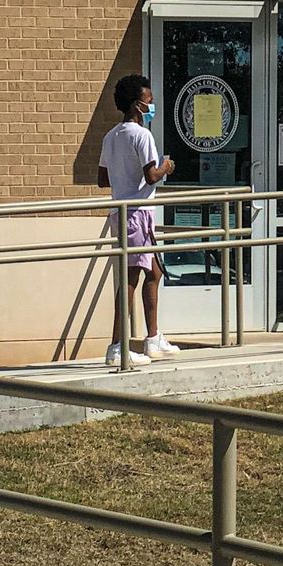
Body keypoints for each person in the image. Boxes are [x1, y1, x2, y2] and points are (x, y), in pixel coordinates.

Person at [98, 74, 179, 366]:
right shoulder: (141, 135)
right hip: (138, 213)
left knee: (154, 272)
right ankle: (118, 346)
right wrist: (166, 166)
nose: (152, 105)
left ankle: (153, 339)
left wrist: (123, 176)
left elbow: (101, 178)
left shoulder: (111, 136)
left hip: (123, 211)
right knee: (130, 278)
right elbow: (151, 175)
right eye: (149, 101)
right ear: (137, 104)